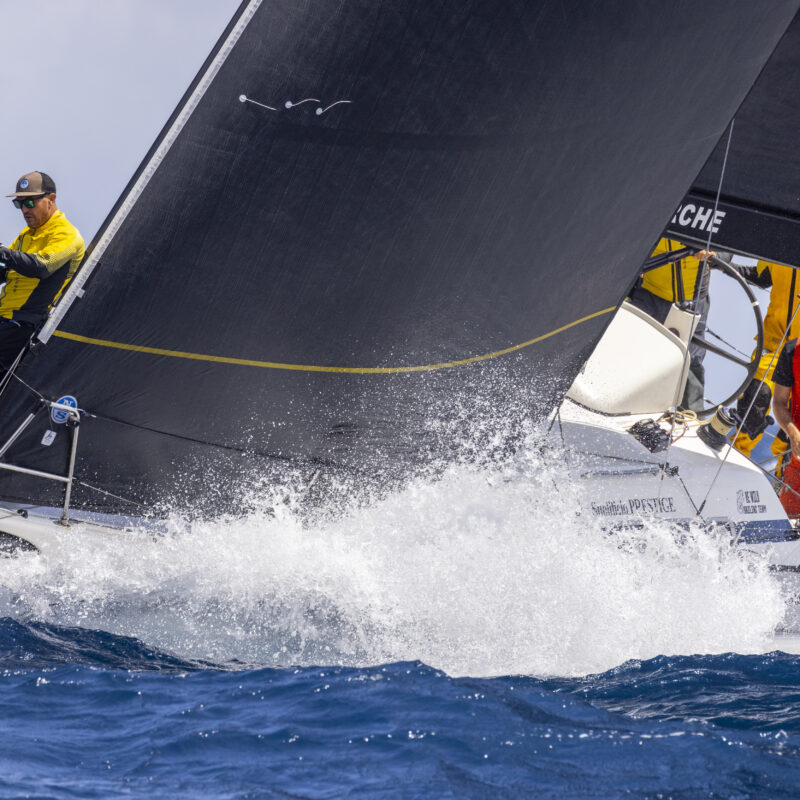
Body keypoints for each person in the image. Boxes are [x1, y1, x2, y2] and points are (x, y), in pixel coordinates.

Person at [0, 171, 84, 372]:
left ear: (51, 199)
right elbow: (9, 270)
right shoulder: (28, 234)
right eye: (19, 204)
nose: (24, 210)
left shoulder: (67, 234)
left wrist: (2, 252)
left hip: (21, 325)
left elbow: (41, 267)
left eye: (29, 203)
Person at [628, 238, 714, 411]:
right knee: (630, 345)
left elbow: (730, 247)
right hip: (649, 290)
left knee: (690, 360)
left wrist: (714, 253)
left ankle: (690, 416)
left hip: (693, 298)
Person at [733, 261, 800, 460]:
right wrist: (720, 262)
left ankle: (782, 476)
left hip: (799, 351)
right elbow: (761, 276)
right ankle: (735, 457)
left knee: (794, 420)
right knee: (756, 397)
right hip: (773, 342)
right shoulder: (782, 240)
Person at [770, 337, 800, 515]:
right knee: (789, 530)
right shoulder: (792, 350)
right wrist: (793, 433)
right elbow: (779, 402)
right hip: (798, 461)